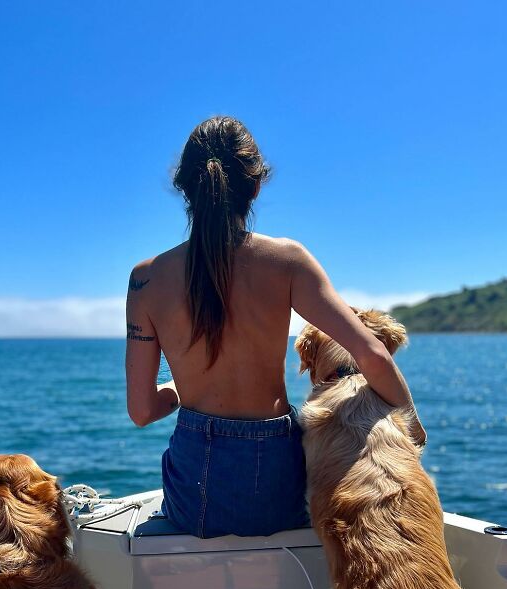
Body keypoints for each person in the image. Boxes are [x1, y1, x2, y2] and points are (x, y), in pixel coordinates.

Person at [125, 116, 426, 538]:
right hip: (275, 474)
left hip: (195, 487)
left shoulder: (146, 278)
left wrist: (178, 388)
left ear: (185, 188)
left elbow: (141, 412)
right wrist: (414, 430)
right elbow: (372, 356)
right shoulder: (287, 260)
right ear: (255, 186)